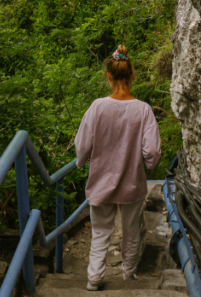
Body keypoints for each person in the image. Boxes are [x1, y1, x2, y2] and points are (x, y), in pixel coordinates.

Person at [75, 45, 162, 291]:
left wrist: (83, 162)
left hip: (101, 180)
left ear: (108, 76)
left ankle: (94, 278)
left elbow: (82, 145)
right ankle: (128, 275)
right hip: (132, 181)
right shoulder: (143, 110)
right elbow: (152, 152)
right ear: (132, 75)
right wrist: (148, 165)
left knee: (101, 232)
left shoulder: (97, 107)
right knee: (131, 230)